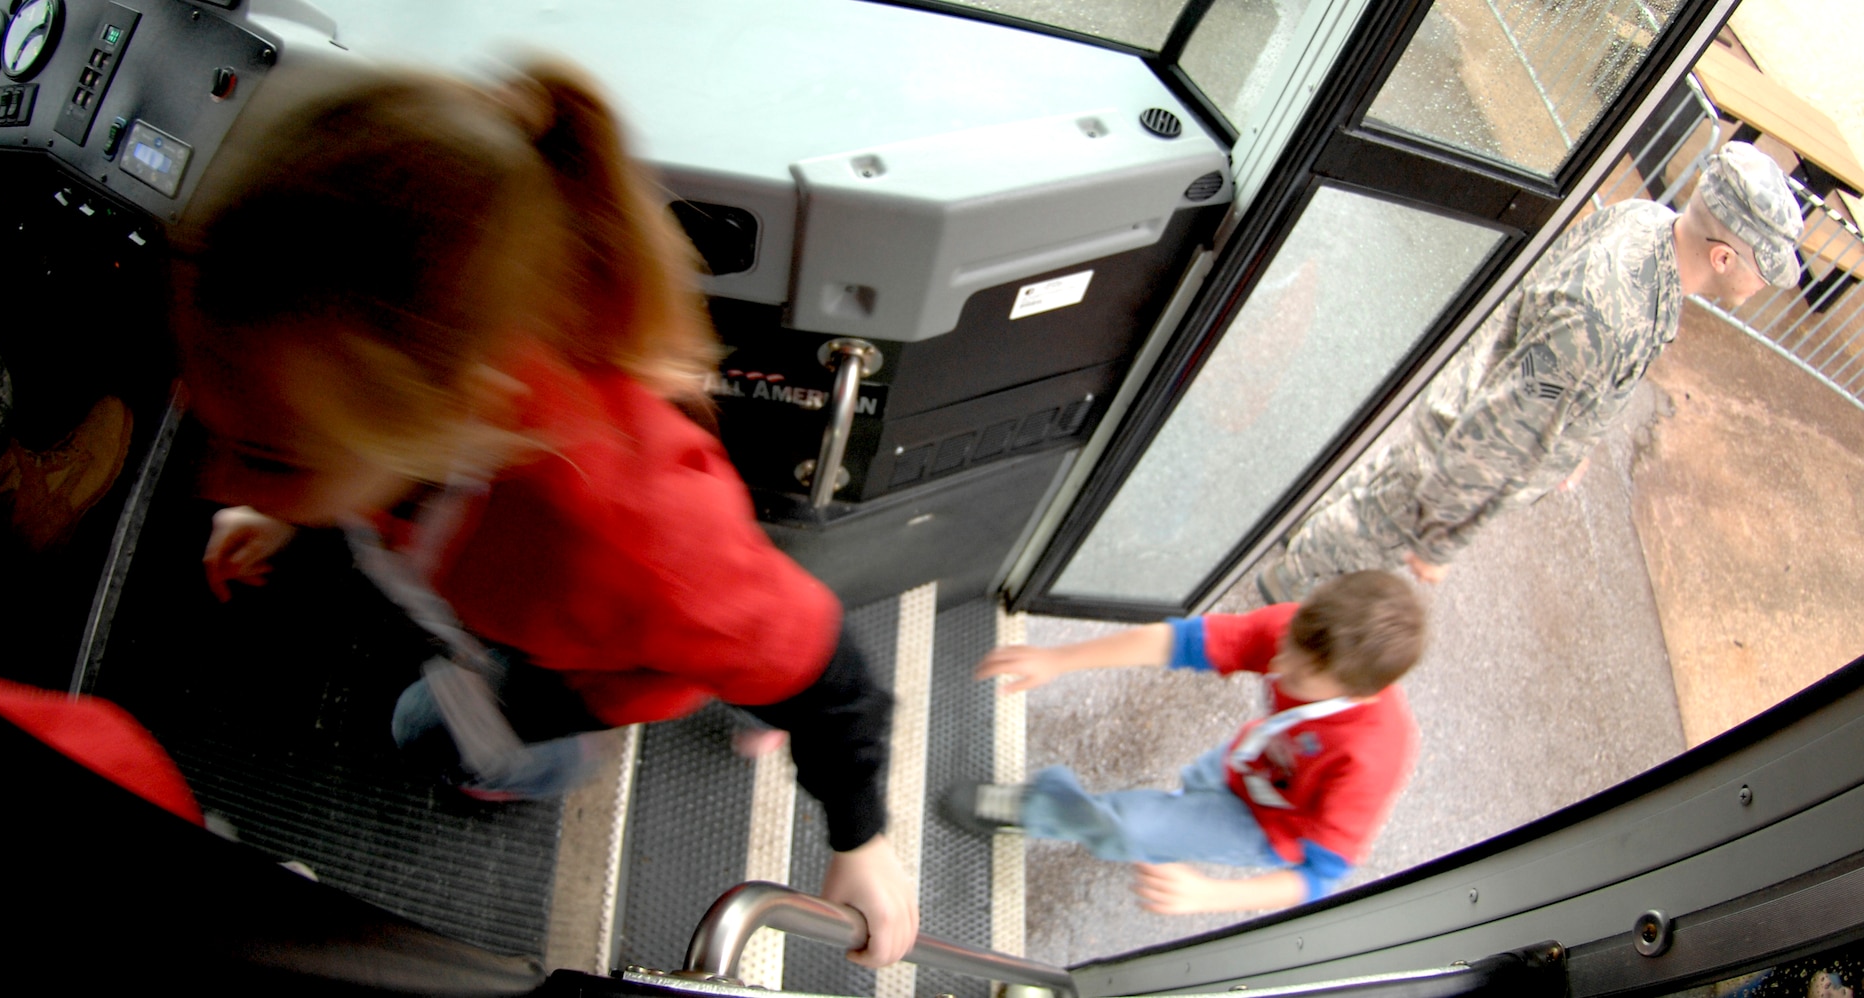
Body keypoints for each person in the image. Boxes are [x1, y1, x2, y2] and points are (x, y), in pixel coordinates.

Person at [172, 60, 917, 966]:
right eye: (218, 428)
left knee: (454, 736)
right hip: (512, 606)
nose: (213, 483)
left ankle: (542, 766)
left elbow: (827, 674)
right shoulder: (415, 381)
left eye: (267, 456)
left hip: (592, 671)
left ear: (456, 413)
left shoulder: (623, 540)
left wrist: (860, 840)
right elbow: (367, 455)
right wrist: (285, 502)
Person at [1259, 142, 1804, 602]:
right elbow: (1498, 432)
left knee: (1379, 492)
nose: (1766, 285)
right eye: (1764, 268)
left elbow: (1564, 383)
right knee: (1372, 525)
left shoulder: (1650, 223)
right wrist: (1437, 541)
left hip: (1470, 403)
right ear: (1724, 259)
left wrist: (1576, 441)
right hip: (1460, 447)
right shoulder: (1610, 321)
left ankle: (1299, 540)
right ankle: (1280, 588)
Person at [944, 571, 1424, 913]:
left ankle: (1038, 809)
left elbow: (1321, 874)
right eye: (1285, 649)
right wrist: (1059, 659)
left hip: (1269, 824)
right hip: (1251, 761)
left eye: (1300, 676)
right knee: (1182, 804)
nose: (1279, 667)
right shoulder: (1302, 636)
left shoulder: (1371, 759)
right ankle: (1173, 818)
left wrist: (1210, 896)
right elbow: (1181, 642)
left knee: (1130, 828)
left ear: (1357, 692)